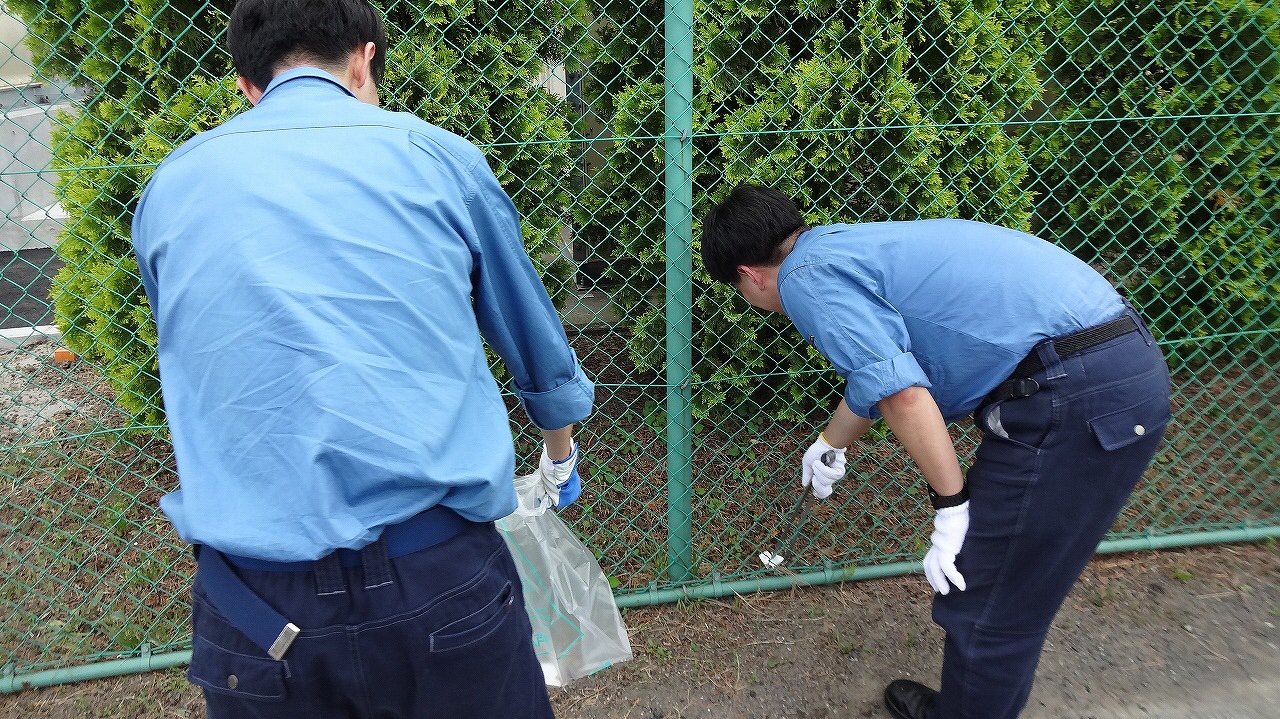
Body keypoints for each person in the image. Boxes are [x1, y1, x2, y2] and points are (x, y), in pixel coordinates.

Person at [130, 1, 593, 716]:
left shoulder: (170, 187)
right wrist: (557, 456)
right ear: (365, 59)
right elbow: (537, 349)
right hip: (437, 577)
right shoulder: (437, 157)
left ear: (247, 87)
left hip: (253, 604)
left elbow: (195, 359)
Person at [700, 184, 1170, 719]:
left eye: (741, 292)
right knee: (1002, 588)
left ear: (748, 274)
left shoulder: (803, 280)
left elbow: (902, 392)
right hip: (1111, 368)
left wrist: (951, 506)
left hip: (1075, 394)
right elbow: (877, 371)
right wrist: (831, 442)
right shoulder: (837, 247)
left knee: (986, 598)